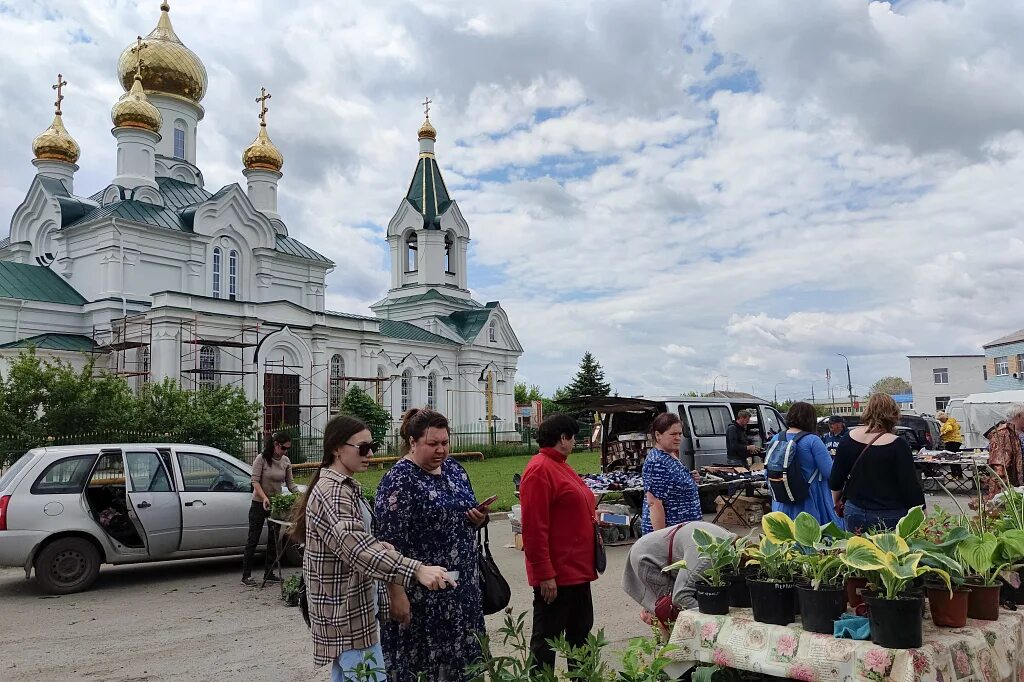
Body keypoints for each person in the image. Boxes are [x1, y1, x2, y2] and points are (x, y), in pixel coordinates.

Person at [290, 415, 451, 682]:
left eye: (371, 446)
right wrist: (417, 570)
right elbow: (357, 552)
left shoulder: (344, 487)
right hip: (347, 620)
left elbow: (354, 541)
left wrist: (380, 545)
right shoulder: (333, 492)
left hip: (353, 615)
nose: (370, 454)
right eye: (362, 448)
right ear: (336, 448)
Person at [374, 409, 491, 681]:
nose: (440, 450)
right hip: (423, 601)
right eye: (432, 444)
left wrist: (479, 519)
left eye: (444, 443)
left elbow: (463, 513)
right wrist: (397, 596)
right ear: (413, 442)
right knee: (426, 670)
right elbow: (388, 547)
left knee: (466, 669)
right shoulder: (399, 481)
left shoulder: (455, 470)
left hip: (462, 595)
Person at [520, 414, 597, 675]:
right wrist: (544, 573)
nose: (575, 442)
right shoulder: (540, 469)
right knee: (546, 645)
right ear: (562, 438)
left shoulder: (561, 465)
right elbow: (533, 528)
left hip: (577, 570)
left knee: (581, 637)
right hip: (558, 576)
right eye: (573, 436)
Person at [829, 394, 924, 532]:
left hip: (855, 511)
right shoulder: (898, 445)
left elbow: (836, 479)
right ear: (893, 414)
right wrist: (922, 514)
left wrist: (837, 502)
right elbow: (910, 486)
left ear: (867, 411)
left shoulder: (847, 438)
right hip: (890, 514)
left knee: (858, 552)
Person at [622, 521, 735, 635]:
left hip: (655, 547)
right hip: (646, 559)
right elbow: (680, 597)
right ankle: (671, 647)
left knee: (667, 607)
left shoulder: (728, 540)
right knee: (669, 612)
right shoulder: (708, 557)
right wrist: (717, 617)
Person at [766, 402, 841, 527]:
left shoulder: (776, 438)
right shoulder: (812, 440)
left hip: (782, 498)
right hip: (808, 499)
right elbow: (830, 472)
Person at [242, 431, 301, 586]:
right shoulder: (261, 459)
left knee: (274, 540)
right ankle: (246, 575)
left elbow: (291, 483)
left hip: (276, 503)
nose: (285, 451)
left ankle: (269, 572)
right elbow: (254, 481)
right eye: (283, 448)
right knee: (253, 539)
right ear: (275, 445)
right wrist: (264, 497)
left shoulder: (286, 461)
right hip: (259, 502)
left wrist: (300, 497)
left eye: (287, 448)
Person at [641, 413, 702, 535]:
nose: (678, 438)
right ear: (658, 435)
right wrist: (661, 539)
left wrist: (690, 479)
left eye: (680, 434)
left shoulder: (670, 454)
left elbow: (672, 484)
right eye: (673, 434)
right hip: (671, 536)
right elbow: (654, 503)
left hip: (682, 532)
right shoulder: (657, 462)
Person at [985, 405, 1024, 500]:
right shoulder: (1002, 434)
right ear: (1018, 416)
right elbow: (998, 464)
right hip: (1008, 487)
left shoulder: (1017, 432)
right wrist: (1001, 490)